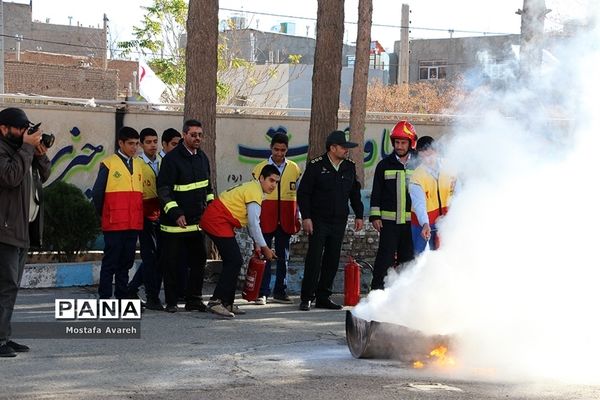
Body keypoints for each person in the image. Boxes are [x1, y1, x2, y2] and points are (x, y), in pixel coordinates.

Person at [0, 107, 51, 358]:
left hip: (21, 230)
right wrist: (28, 148)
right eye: (20, 129)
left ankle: (3, 337)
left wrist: (39, 153)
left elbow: (46, 174)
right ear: (4, 129)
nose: (24, 133)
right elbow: (10, 177)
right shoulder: (3, 151)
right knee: (5, 286)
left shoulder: (22, 150)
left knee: (11, 287)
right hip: (4, 230)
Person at [297, 130, 364, 311]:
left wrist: (359, 214)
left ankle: (323, 296)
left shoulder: (349, 166)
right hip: (318, 220)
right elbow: (303, 193)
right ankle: (307, 297)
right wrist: (307, 217)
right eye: (343, 147)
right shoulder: (316, 165)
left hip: (339, 220)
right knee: (315, 258)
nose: (346, 150)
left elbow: (354, 193)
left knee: (332, 259)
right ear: (332, 148)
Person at [200, 165, 279, 318]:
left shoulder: (253, 188)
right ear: (261, 178)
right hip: (217, 219)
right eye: (271, 180)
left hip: (219, 219)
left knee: (234, 261)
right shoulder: (254, 191)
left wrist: (257, 244)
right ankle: (216, 301)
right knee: (234, 260)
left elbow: (251, 223)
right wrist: (265, 248)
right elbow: (254, 223)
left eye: (276, 182)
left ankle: (227, 302)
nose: (273, 185)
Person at [157, 119, 213, 313]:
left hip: (197, 224)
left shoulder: (202, 158)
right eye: (193, 135)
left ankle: (194, 300)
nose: (197, 138)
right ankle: (171, 302)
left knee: (199, 261)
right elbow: (164, 190)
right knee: (172, 264)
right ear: (184, 135)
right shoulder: (171, 159)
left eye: (200, 135)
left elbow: (208, 188)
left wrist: (210, 209)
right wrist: (175, 213)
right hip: (175, 226)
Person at [92, 127, 144, 300]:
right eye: (130, 144)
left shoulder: (138, 164)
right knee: (111, 262)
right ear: (120, 143)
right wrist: (104, 215)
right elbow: (98, 193)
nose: (134, 147)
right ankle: (105, 297)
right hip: (114, 222)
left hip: (132, 222)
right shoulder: (108, 163)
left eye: (137, 144)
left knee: (126, 262)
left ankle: (122, 296)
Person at [252, 132, 302, 305]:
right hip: (266, 217)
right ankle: (262, 292)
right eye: (276, 149)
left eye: (283, 150)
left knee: (283, 257)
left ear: (287, 149)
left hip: (286, 218)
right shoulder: (260, 168)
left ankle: (280, 291)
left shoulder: (295, 168)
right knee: (264, 255)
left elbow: (297, 194)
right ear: (270, 148)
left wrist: (298, 215)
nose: (279, 153)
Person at [369, 120, 418, 290]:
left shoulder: (418, 165)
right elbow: (376, 192)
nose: (399, 146)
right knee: (384, 260)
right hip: (389, 224)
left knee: (408, 261)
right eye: (397, 142)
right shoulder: (384, 165)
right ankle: (376, 293)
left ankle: (405, 296)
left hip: (411, 224)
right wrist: (375, 216)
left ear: (411, 143)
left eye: (403, 142)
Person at [126, 128, 164, 310]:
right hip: (144, 213)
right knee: (149, 256)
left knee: (158, 255)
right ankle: (152, 296)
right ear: (141, 144)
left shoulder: (163, 161)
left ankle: (132, 288)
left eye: (155, 141)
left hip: (162, 212)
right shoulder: (136, 164)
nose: (152, 145)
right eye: (148, 142)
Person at [409, 136, 456, 254]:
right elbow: (419, 204)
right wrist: (425, 224)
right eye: (422, 156)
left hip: (446, 222)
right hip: (422, 225)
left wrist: (452, 217)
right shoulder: (417, 176)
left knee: (447, 255)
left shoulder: (450, 168)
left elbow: (458, 195)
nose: (427, 159)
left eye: (429, 155)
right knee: (422, 259)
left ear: (436, 151)